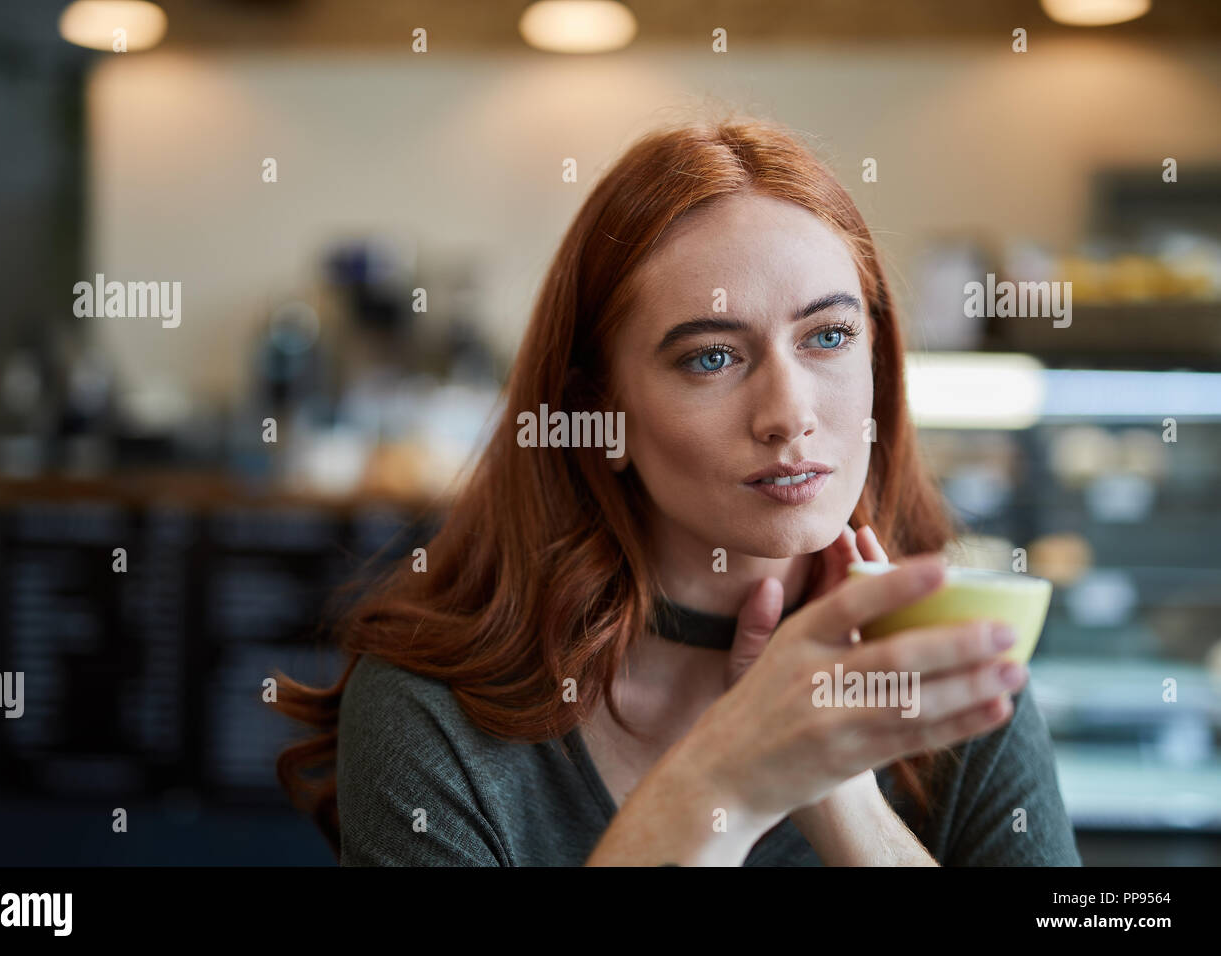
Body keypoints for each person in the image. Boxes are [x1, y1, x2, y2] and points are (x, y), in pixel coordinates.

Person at [273, 116, 1082, 866]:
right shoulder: (433, 714)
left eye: (829, 336)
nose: (789, 414)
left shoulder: (952, 669)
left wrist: (839, 796)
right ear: (599, 416)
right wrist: (721, 784)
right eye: (711, 358)